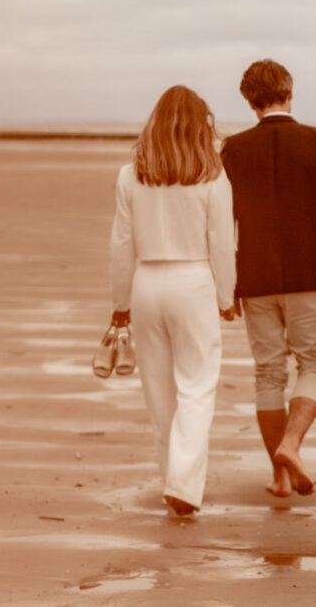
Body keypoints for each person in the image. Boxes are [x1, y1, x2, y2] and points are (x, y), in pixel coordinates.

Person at [222, 59, 316, 497]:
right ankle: (291, 445)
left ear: (249, 100)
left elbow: (223, 222)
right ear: (290, 92)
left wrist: (226, 284)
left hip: (255, 277)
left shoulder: (233, 149)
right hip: (309, 274)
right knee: (315, 365)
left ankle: (279, 478)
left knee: (267, 374)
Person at [108, 85, 237, 516]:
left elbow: (120, 244)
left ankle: (172, 475)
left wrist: (119, 302)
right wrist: (226, 295)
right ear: (201, 124)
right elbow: (222, 243)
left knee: (158, 390)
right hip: (193, 279)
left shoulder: (132, 174)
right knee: (197, 386)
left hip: (147, 282)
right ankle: (182, 483)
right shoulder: (212, 175)